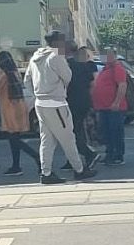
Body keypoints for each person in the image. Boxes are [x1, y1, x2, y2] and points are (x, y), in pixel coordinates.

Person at [30, 31, 95, 184]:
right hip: (56, 103)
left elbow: (28, 80)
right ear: (58, 42)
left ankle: (46, 173)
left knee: (47, 139)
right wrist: (58, 88)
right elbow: (68, 76)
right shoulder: (56, 57)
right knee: (68, 138)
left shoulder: (35, 58)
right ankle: (79, 170)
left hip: (40, 102)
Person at [0, 51, 39, 175]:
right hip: (19, 107)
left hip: (9, 110)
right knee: (15, 138)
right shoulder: (15, 73)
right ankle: (16, 166)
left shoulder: (2, 74)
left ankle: (36, 157)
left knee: (14, 139)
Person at [92, 49, 130, 166]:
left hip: (114, 107)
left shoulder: (117, 68)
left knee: (115, 132)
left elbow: (122, 86)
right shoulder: (106, 68)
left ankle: (118, 156)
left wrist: (116, 102)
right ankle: (109, 154)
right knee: (106, 132)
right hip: (104, 107)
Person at [66, 42, 99, 171]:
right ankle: (76, 158)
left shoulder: (67, 65)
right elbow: (92, 83)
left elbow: (65, 84)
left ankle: (88, 154)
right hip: (83, 102)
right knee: (77, 130)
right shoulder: (84, 66)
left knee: (73, 132)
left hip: (72, 103)